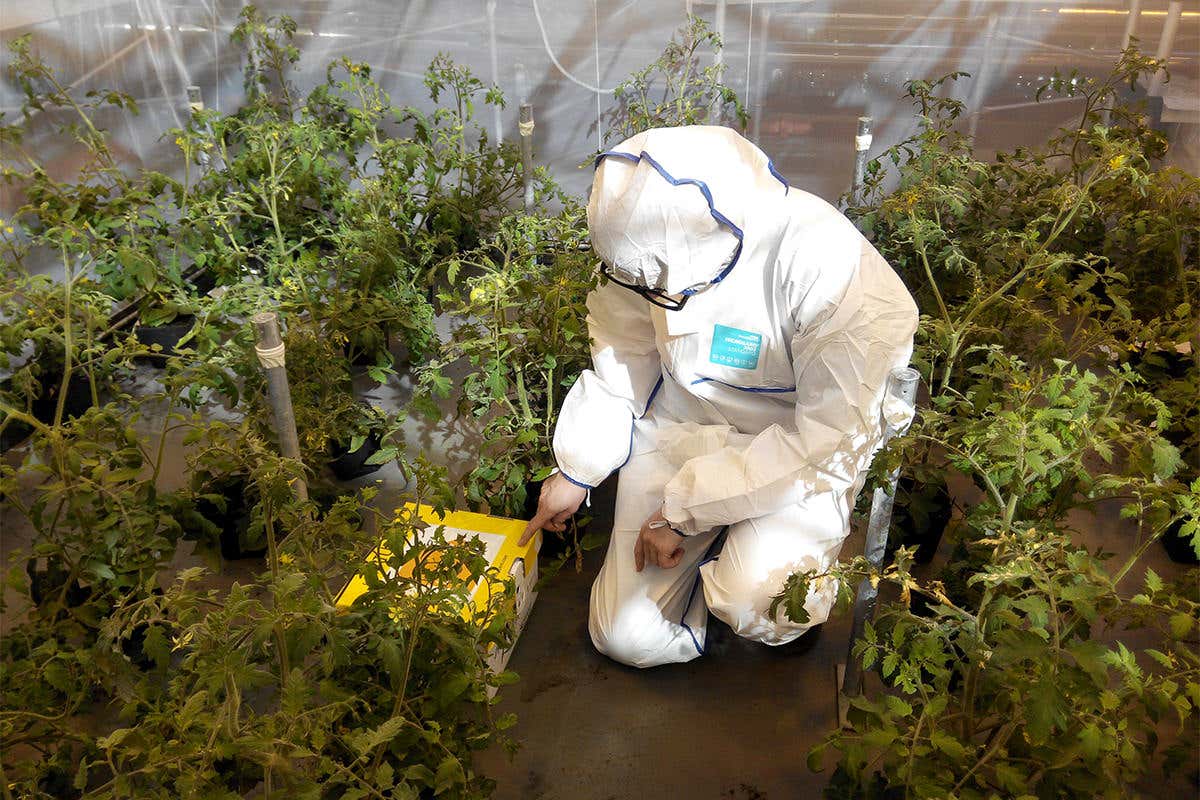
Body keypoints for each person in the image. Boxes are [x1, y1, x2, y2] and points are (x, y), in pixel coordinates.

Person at [519, 126, 918, 669]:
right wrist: (578, 468)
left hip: (790, 456)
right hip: (684, 426)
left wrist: (682, 512)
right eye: (642, 282)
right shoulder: (644, 244)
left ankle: (751, 581)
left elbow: (826, 445)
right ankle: (707, 580)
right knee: (626, 639)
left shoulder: (833, 275)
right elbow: (624, 357)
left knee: (770, 603)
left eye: (661, 283)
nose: (653, 293)